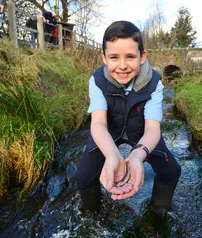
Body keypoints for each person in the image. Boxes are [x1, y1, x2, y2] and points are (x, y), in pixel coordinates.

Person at [76, 21, 181, 218]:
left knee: (172, 171)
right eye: (114, 57)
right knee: (83, 176)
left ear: (142, 57)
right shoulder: (96, 80)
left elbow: (152, 129)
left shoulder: (155, 83)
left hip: (142, 133)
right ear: (104, 58)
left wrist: (136, 156)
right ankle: (92, 214)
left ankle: (158, 211)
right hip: (108, 133)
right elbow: (98, 123)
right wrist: (112, 155)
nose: (122, 66)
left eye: (130, 57)